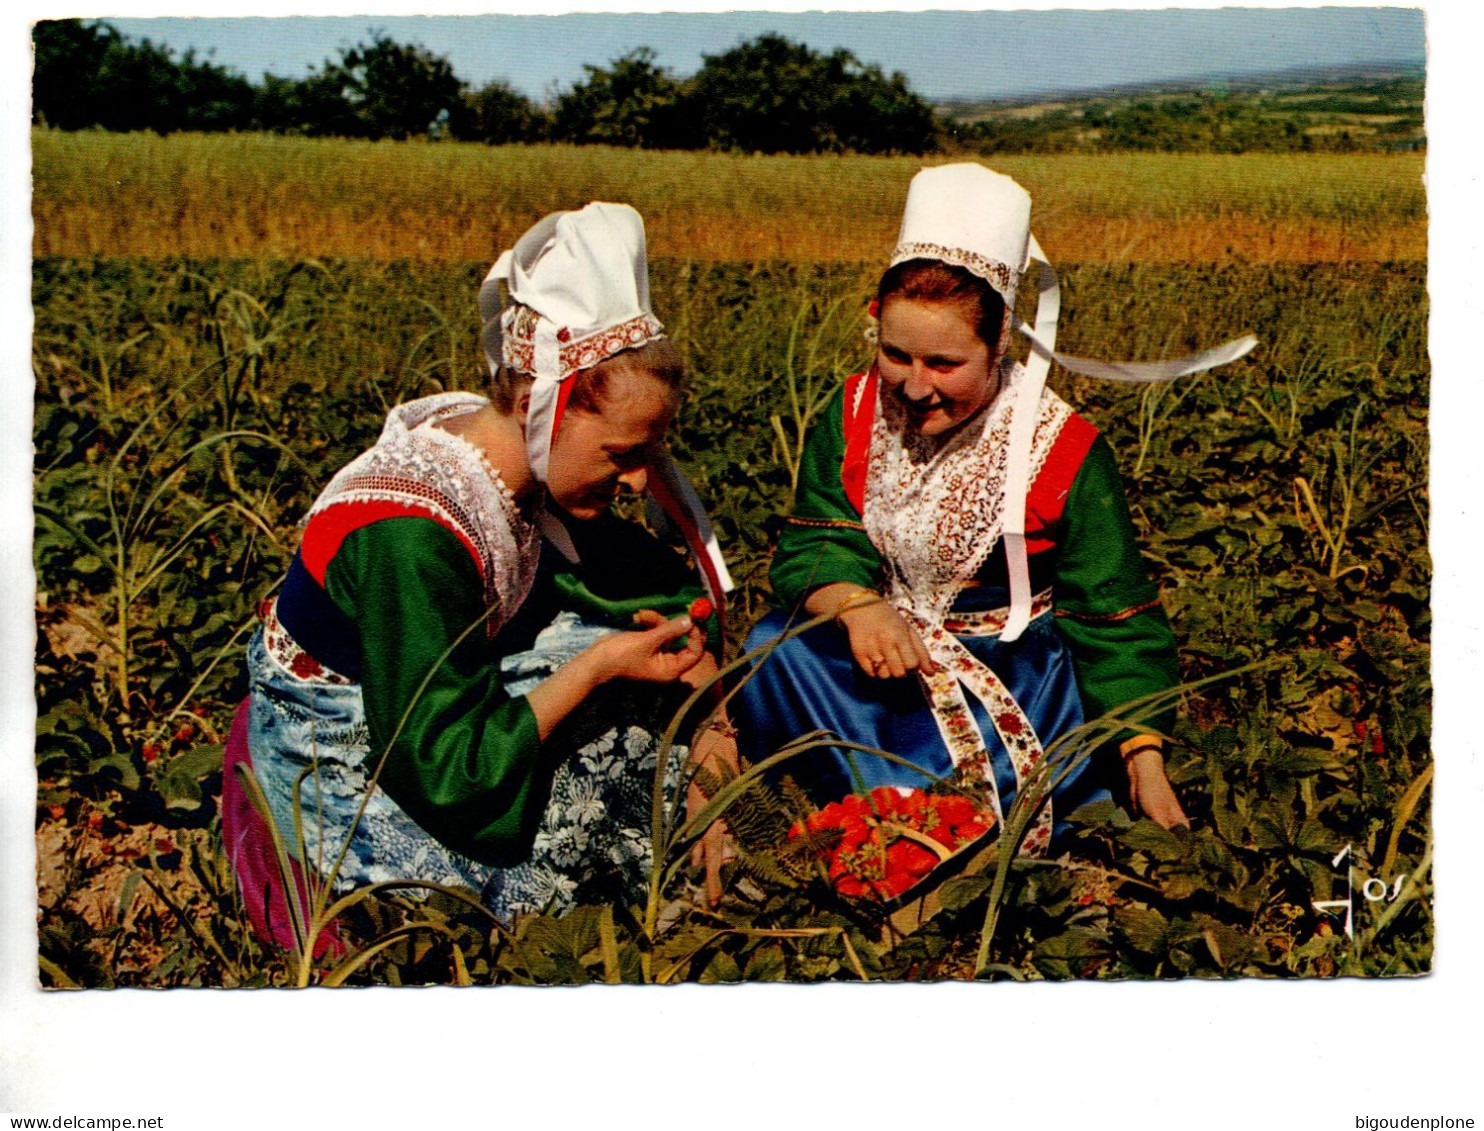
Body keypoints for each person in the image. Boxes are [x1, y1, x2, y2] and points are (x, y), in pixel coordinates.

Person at [221, 202, 736, 942]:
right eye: (621, 454)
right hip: (349, 746)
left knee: (635, 702)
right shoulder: (413, 532)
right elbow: (442, 767)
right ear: (536, 405)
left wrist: (704, 694)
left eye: (647, 455)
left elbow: (639, 578)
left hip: (419, 697)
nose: (635, 482)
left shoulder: (502, 451)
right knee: (567, 834)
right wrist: (592, 669)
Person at [736, 163, 1254, 857]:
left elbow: (1113, 617)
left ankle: (898, 824)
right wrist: (857, 603)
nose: (915, 387)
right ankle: (840, 823)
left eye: (945, 364)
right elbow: (816, 539)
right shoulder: (856, 410)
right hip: (880, 651)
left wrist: (1142, 760)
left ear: (999, 343)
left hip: (1011, 673)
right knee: (769, 649)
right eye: (896, 354)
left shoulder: (1063, 451)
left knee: (950, 811)